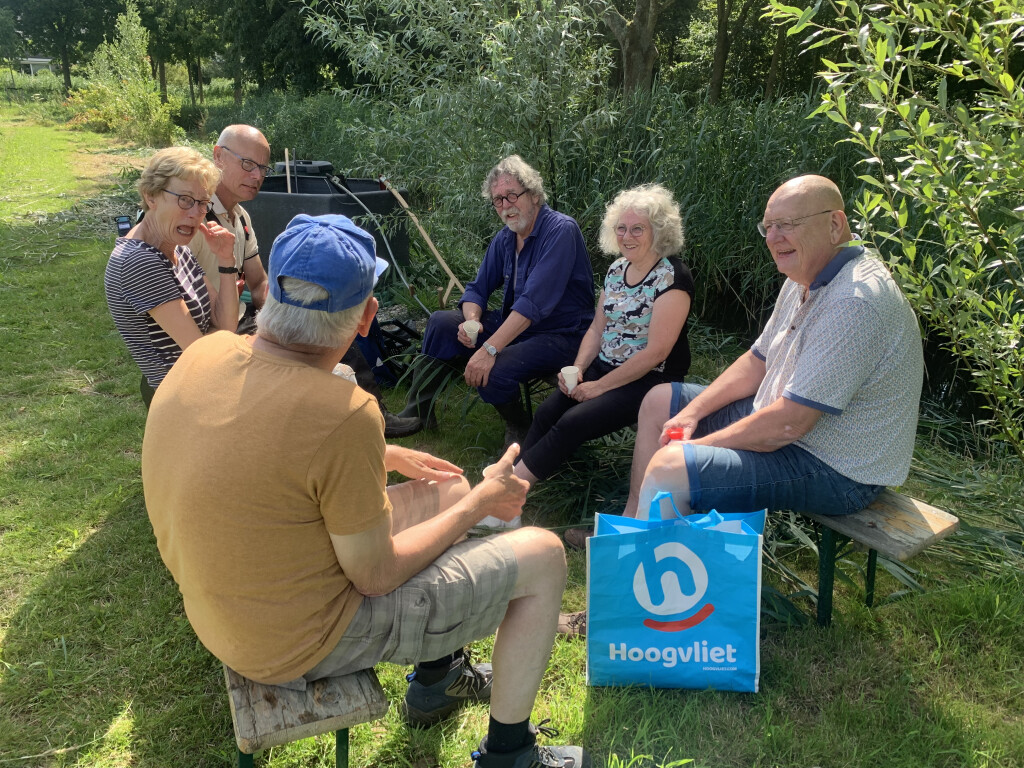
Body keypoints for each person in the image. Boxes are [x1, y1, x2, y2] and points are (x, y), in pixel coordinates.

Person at [142, 214, 589, 768]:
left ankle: (439, 678)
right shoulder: (343, 413)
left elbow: (264, 449)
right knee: (542, 555)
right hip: (295, 642)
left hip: (225, 611)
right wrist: (483, 501)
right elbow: (375, 576)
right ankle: (510, 755)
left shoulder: (206, 353)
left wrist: (393, 458)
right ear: (366, 317)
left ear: (271, 293)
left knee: (446, 488)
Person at [189, 123, 419, 437]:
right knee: (332, 336)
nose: (257, 176)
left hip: (249, 319)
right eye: (248, 164)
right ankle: (365, 419)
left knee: (330, 326)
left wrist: (295, 310)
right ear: (218, 155)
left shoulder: (240, 217)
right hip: (215, 333)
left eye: (263, 168)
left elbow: (259, 285)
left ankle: (369, 414)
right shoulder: (195, 219)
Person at [505, 184, 694, 537]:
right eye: (621, 228)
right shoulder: (616, 270)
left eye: (637, 229)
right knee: (548, 411)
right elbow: (596, 328)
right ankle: (511, 483)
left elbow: (657, 352)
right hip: (604, 366)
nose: (627, 236)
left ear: (659, 231)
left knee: (573, 422)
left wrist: (599, 387)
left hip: (651, 379)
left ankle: (507, 495)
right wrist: (578, 368)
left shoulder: (673, 277)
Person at [397, 155, 595, 444]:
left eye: (512, 195)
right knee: (440, 323)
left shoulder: (561, 230)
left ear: (534, 195)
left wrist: (488, 349)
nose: (505, 206)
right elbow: (477, 289)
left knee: (495, 368)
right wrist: (472, 322)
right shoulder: (506, 238)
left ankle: (521, 428)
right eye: (498, 200)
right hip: (521, 329)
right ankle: (419, 410)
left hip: (562, 335)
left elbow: (531, 304)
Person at [105, 147, 239, 406]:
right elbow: (198, 353)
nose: (196, 213)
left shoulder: (177, 248)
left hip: (197, 388)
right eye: (185, 200)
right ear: (151, 196)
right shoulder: (140, 261)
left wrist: (226, 260)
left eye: (203, 203)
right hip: (178, 401)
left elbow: (225, 324)